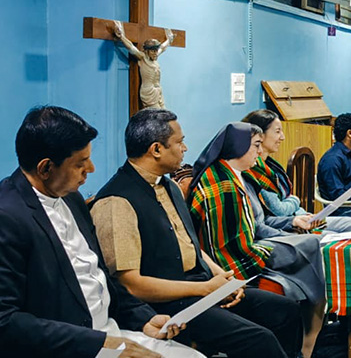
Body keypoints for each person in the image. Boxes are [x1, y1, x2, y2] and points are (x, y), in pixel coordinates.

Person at [92, 108, 302, 358]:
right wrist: (205, 289)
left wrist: (222, 278)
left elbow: (190, 244)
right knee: (259, 340)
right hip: (166, 303)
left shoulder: (168, 185)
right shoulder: (117, 201)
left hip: (199, 286)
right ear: (156, 149)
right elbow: (131, 284)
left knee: (285, 310)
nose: (185, 148)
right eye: (179, 142)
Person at [0, 106, 202, 358]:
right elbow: (6, 321)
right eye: (80, 163)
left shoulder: (71, 198)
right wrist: (96, 344)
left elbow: (99, 276)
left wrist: (142, 319)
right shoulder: (7, 216)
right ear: (45, 168)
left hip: (109, 332)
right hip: (70, 347)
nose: (92, 169)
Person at [188, 122, 328, 358]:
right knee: (311, 248)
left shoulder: (233, 175)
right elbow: (229, 246)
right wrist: (269, 248)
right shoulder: (223, 187)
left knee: (311, 244)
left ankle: (312, 332)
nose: (259, 151)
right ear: (237, 148)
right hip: (231, 261)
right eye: (255, 146)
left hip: (250, 244)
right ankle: (310, 335)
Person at [243, 110, 351, 232]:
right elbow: (279, 209)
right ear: (260, 135)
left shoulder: (270, 165)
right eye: (277, 132)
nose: (282, 137)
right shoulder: (254, 171)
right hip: (291, 224)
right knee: (337, 236)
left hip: (302, 216)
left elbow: (284, 200)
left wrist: (302, 211)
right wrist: (296, 200)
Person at [112, 23, 174, 109]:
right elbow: (131, 47)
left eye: (156, 50)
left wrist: (169, 40)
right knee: (157, 116)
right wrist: (122, 37)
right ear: (147, 51)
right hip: (149, 93)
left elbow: (162, 48)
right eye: (152, 51)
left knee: (166, 115)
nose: (155, 53)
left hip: (158, 92)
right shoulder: (143, 58)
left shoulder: (154, 58)